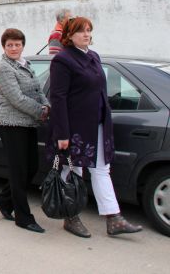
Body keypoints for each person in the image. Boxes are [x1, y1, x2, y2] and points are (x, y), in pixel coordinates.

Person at [48, 16, 142, 238]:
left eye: (89, 30)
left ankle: (113, 219)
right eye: (81, 31)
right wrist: (62, 133)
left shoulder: (94, 56)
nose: (87, 34)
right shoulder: (62, 61)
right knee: (72, 170)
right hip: (74, 127)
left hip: (98, 124)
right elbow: (58, 98)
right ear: (69, 35)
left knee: (101, 169)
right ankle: (70, 217)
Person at [0, 28, 50, 233]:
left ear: (23, 45)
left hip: (29, 123)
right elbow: (16, 98)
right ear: (4, 47)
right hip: (11, 124)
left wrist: (47, 105)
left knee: (31, 168)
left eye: (17, 44)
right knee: (18, 171)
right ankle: (23, 217)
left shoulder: (26, 64)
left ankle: (3, 200)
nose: (14, 48)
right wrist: (40, 112)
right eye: (10, 45)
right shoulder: (3, 68)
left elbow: (38, 90)